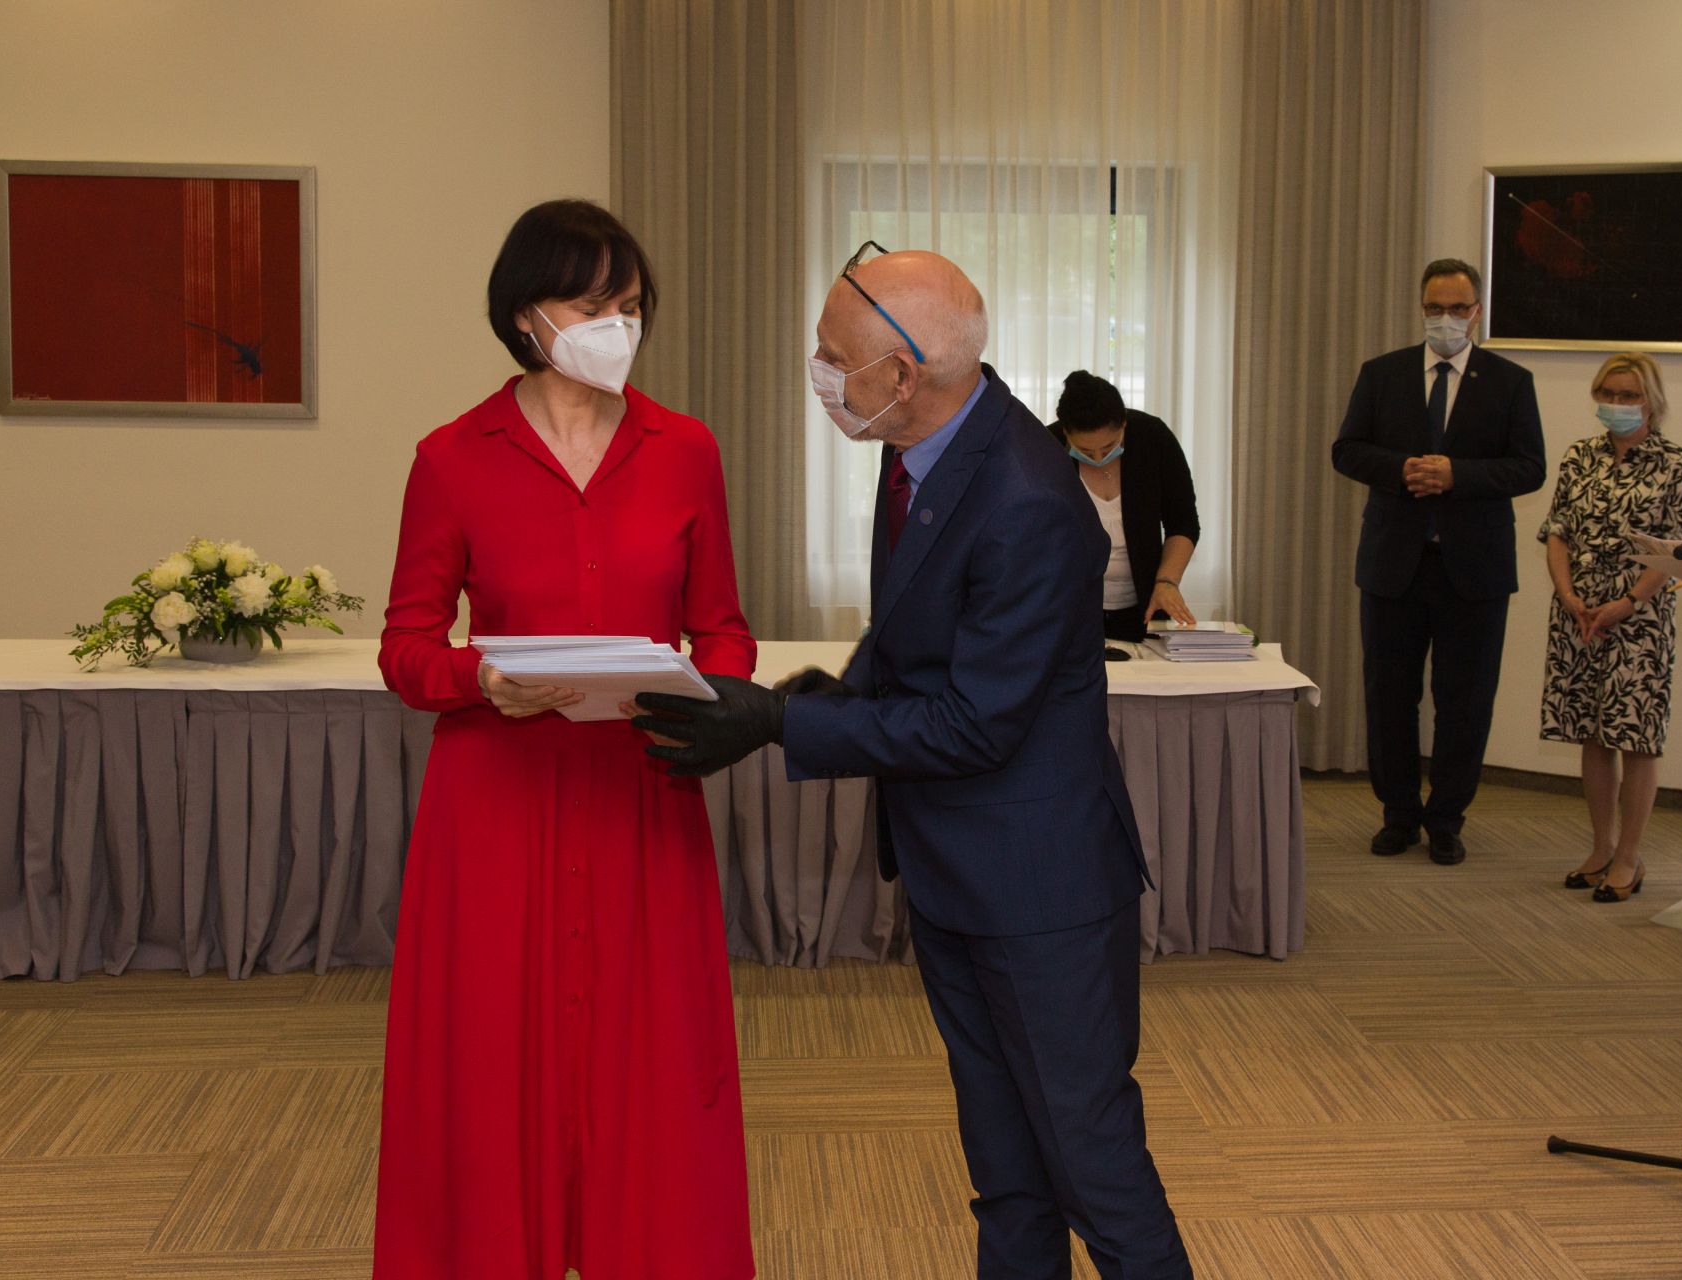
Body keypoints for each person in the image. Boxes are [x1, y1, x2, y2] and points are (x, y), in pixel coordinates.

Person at [633, 245, 1194, 1278]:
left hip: (1039, 891)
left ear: (902, 374)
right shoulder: (923, 451)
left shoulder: (1026, 497)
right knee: (1008, 1171)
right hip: (957, 871)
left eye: (830, 354)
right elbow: (919, 647)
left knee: (1094, 1170)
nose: (817, 371)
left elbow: (974, 725)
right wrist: (831, 695)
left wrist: (780, 724)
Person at [373, 200, 756, 1279]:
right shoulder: (452, 457)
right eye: (590, 306)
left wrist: (695, 692)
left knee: (651, 1059)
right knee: (493, 1061)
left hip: (641, 789)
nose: (615, 327)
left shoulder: (685, 450)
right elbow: (406, 647)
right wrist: (481, 679)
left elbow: (724, 627)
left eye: (628, 305)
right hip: (497, 803)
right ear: (525, 317)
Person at [1331, 257, 1546, 866]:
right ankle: (1398, 814)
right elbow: (1347, 450)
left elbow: (1530, 467)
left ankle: (1447, 818)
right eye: (1434, 307)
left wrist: (1458, 475)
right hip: (1394, 565)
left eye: (1456, 308)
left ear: (1476, 311)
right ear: (1420, 307)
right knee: (1389, 698)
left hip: (1474, 571)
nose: (1444, 318)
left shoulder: (1509, 381)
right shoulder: (1383, 373)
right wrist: (1401, 469)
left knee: (1465, 702)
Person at [1538, 353, 1682, 901]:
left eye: (1628, 395)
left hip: (1639, 620)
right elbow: (1556, 531)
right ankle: (1601, 847)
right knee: (1591, 731)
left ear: (1652, 401)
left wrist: (1627, 602)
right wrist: (1569, 597)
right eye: (1608, 393)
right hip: (1579, 613)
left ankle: (1630, 857)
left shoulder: (1676, 464)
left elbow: (1677, 550)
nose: (1617, 403)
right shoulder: (1579, 456)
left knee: (1635, 737)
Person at [1051, 369, 1201, 641]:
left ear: (1124, 425)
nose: (1099, 458)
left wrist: (1167, 582)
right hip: (1068, 609)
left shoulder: (1153, 439)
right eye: (1085, 451)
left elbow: (1183, 522)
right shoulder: (1047, 448)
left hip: (1145, 605)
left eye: (1109, 447)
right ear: (1066, 434)